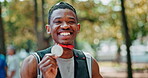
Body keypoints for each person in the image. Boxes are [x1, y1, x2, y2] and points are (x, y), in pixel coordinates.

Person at [20, 2, 103, 78]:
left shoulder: (89, 62)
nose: (65, 26)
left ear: (78, 28)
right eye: (58, 22)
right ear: (48, 29)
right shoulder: (32, 63)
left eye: (71, 21)